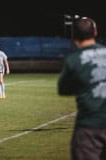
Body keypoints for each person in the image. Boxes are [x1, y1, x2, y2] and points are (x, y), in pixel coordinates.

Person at [58, 17, 106, 160]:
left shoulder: (74, 59)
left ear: (73, 36)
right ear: (96, 32)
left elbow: (63, 89)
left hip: (89, 128)